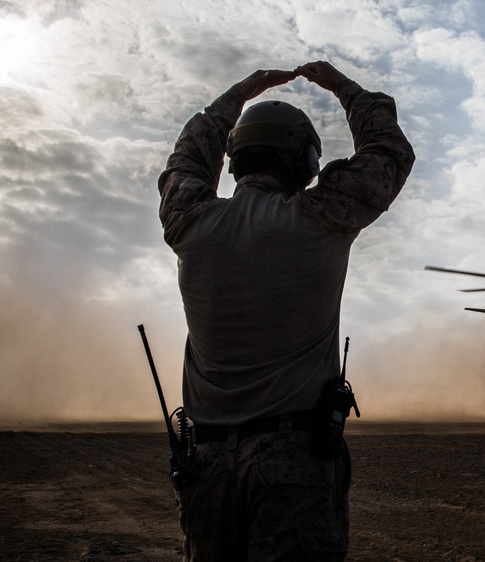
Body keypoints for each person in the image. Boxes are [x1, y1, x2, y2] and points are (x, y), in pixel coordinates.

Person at [158, 61, 414, 560]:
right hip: (292, 462)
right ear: (303, 160)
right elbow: (388, 152)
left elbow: (187, 156)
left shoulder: (189, 223)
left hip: (206, 466)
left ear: (236, 159)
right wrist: (342, 87)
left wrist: (238, 96)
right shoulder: (321, 217)